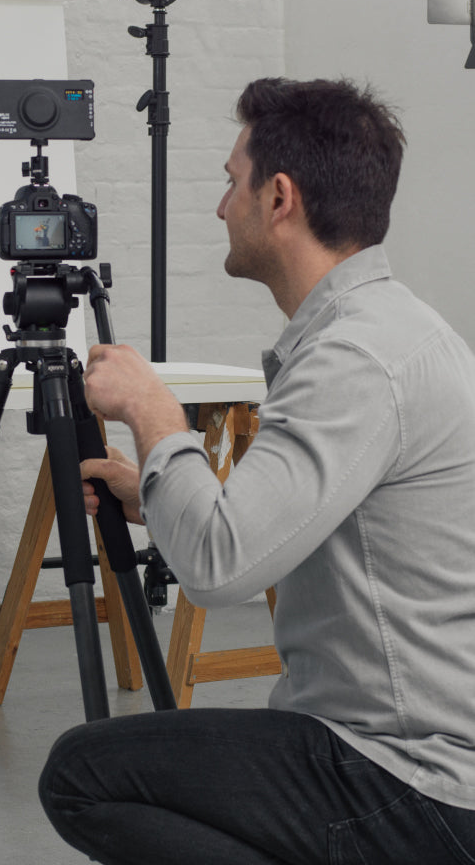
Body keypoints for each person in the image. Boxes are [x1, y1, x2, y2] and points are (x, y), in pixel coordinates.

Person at [38, 77, 475, 864]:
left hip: (412, 777)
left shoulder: (355, 360)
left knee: (82, 773)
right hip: (425, 749)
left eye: (230, 182)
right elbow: (293, 517)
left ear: (279, 198)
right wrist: (160, 494)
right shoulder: (392, 328)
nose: (220, 207)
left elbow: (219, 566)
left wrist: (153, 414)